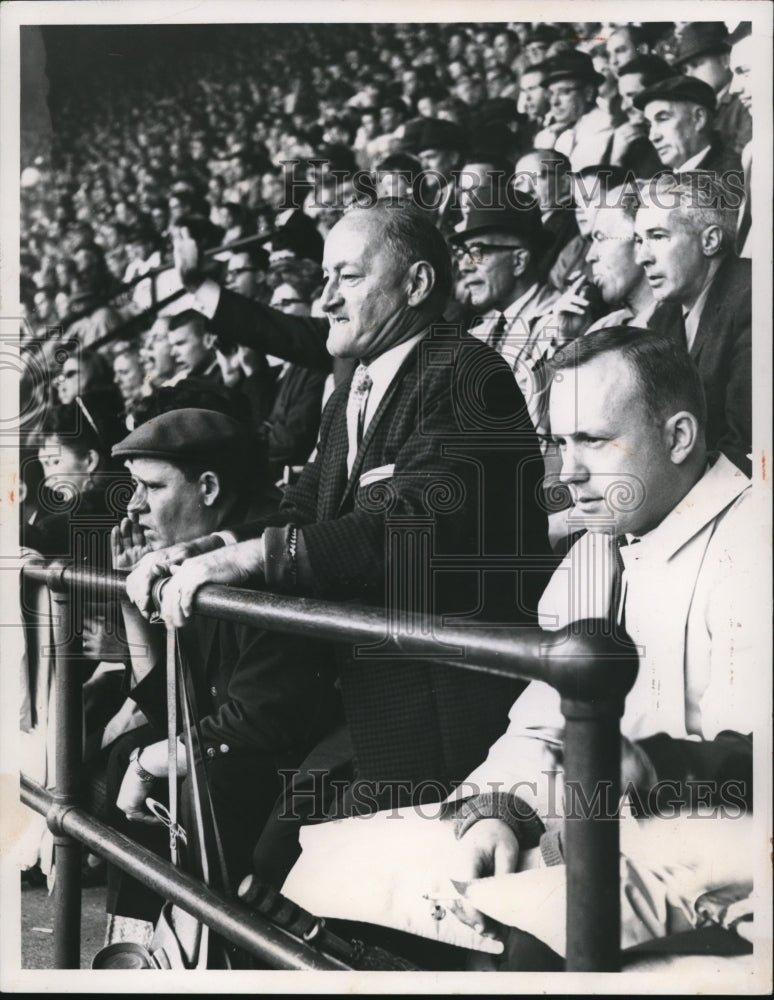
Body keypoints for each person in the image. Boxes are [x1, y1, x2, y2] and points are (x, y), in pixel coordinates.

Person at [282, 327, 758, 968]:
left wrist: (648, 770)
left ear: (678, 437)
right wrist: (497, 810)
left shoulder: (754, 543)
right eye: (560, 443)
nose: (571, 472)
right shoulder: (593, 553)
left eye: (595, 439)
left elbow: (751, 766)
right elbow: (538, 728)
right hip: (597, 835)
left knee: (530, 929)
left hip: (719, 853)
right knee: (330, 868)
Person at [124, 200, 553, 816]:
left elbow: (411, 526)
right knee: (260, 849)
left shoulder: (465, 373)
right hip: (374, 696)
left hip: (447, 713)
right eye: (323, 278)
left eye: (347, 277)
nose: (326, 297)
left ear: (417, 284)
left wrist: (253, 558)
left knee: (286, 874)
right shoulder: (357, 385)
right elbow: (302, 507)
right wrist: (205, 548)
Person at [102, 407, 340, 944]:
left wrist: (150, 761)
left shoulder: (256, 561)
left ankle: (192, 957)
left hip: (298, 764)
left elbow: (260, 723)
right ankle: (134, 951)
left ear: (208, 487)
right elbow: (178, 707)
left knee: (179, 774)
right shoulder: (193, 556)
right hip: (243, 745)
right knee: (129, 751)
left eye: (151, 488)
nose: (134, 507)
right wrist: (131, 601)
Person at [635, 172, 751, 475]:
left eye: (657, 237)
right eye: (638, 240)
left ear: (710, 240)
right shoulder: (664, 318)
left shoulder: (757, 296)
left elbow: (747, 447)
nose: (641, 258)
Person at [449, 194, 559, 424]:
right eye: (463, 255)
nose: (463, 267)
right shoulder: (478, 333)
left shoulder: (560, 326)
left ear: (519, 261)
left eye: (477, 253)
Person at [633, 75, 742, 174]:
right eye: (649, 125)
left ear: (699, 119)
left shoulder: (729, 176)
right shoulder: (661, 175)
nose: (653, 137)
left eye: (663, 119)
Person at [672, 22, 752, 156]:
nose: (689, 75)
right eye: (685, 70)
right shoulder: (708, 106)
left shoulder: (746, 101)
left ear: (726, 61)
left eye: (696, 65)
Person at [533, 50, 616, 172]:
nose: (554, 101)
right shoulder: (547, 134)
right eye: (551, 93)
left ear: (588, 92)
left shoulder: (606, 126)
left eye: (563, 92)